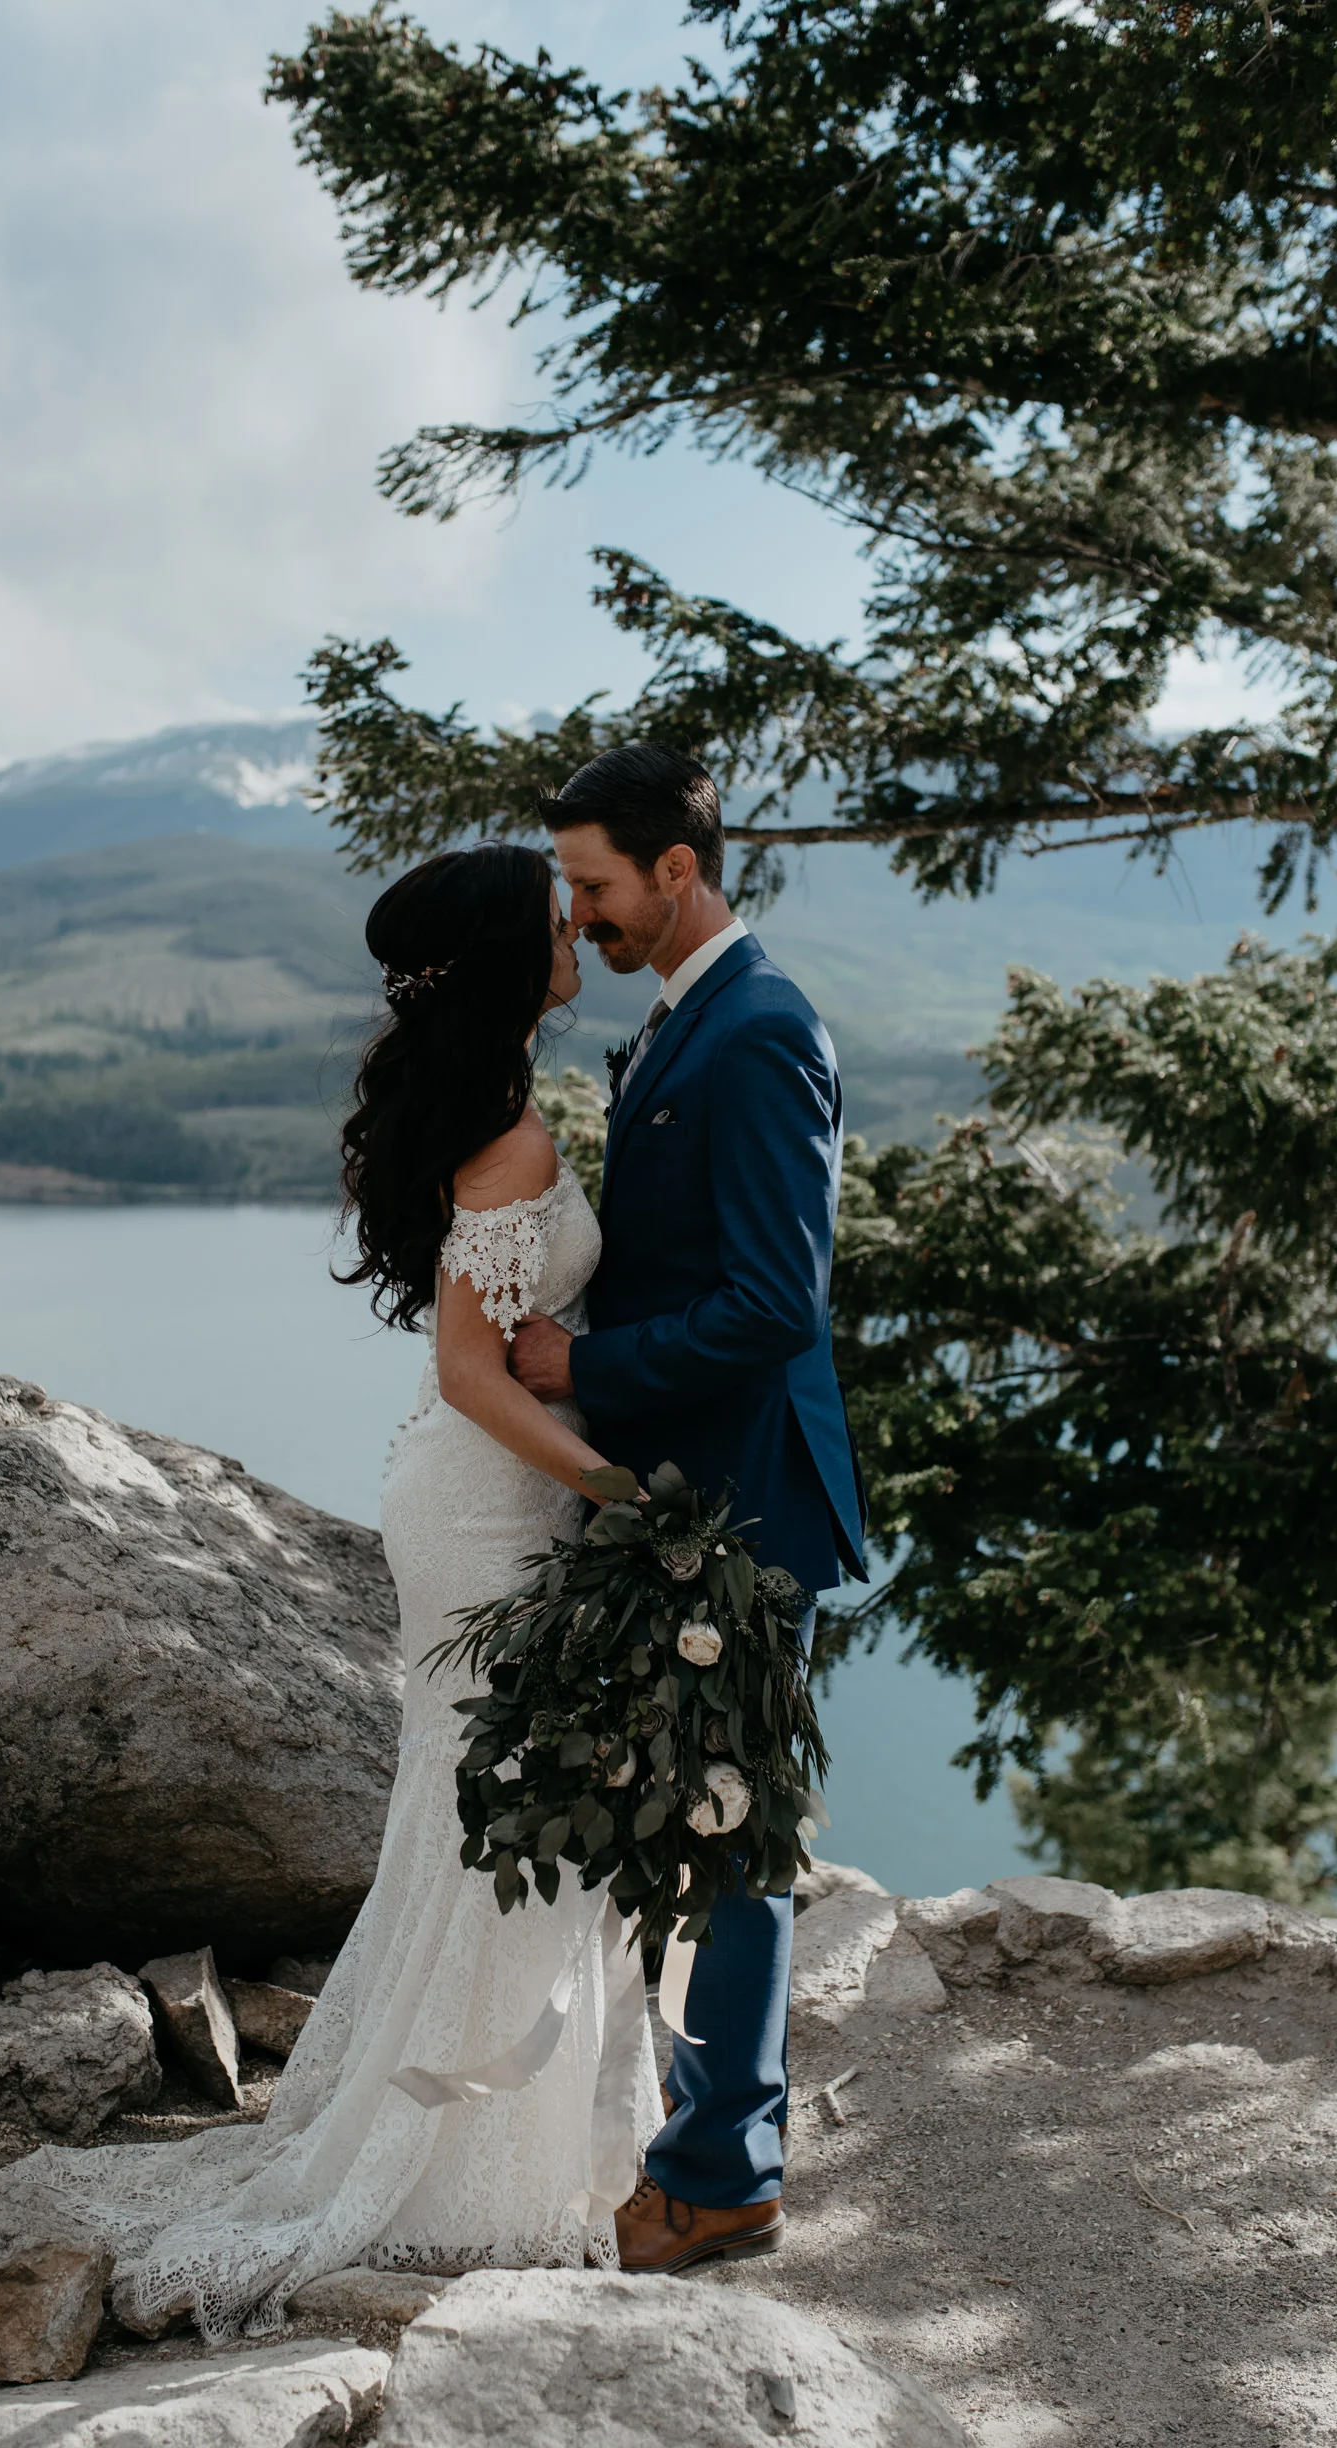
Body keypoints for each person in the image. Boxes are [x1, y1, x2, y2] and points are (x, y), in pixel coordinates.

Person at [31, 843, 660, 2339]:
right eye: (551, 919)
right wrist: (622, 1495)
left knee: (486, 1795)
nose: (575, 932)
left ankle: (509, 2132)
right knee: (499, 1797)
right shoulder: (501, 1130)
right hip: (489, 1499)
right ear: (511, 957)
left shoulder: (493, 1101)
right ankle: (448, 2166)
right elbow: (468, 1368)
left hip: (484, 1484)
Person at [511, 743, 867, 2274]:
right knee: (703, 1828)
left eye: (594, 887)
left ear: (677, 869)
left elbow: (773, 1307)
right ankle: (698, 2137)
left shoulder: (758, 1031)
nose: (577, 918)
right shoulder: (683, 1019)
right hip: (679, 1493)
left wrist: (583, 1365)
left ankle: (722, 2178)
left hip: (738, 1503)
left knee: (734, 1838)